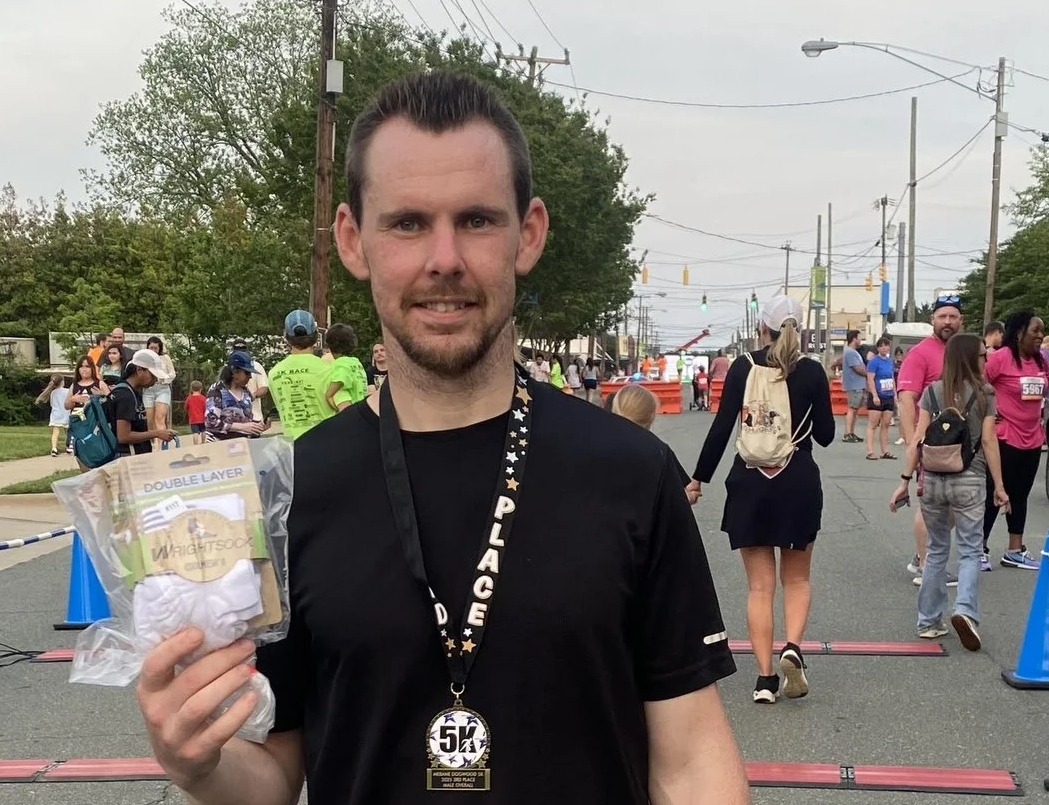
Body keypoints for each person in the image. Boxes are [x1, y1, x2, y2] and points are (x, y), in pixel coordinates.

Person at [139, 71, 747, 805]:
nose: (444, 259)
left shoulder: (631, 474)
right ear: (352, 240)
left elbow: (689, 766)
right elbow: (271, 774)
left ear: (528, 235)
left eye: (478, 220)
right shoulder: (291, 494)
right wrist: (197, 763)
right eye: (407, 223)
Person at [688, 294, 835, 705]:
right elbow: (824, 435)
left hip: (749, 481)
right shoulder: (811, 371)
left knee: (759, 588)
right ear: (799, 329)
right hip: (797, 480)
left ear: (761, 328)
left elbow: (721, 428)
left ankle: (765, 679)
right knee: (798, 578)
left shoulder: (742, 367)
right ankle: (792, 646)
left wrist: (698, 479)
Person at [890, 332, 1006, 651]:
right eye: (983, 355)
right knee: (970, 549)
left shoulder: (932, 391)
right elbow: (988, 442)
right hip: (969, 478)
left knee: (937, 549)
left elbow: (917, 437)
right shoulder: (985, 393)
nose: (986, 360)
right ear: (972, 358)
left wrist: (904, 479)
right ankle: (965, 611)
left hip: (933, 478)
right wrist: (999, 485)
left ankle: (928, 621)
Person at [897, 295, 964, 582]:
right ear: (932, 320)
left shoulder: (963, 353)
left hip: (959, 445)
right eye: (942, 316)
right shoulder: (920, 354)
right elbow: (906, 401)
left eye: (953, 317)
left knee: (951, 507)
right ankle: (926, 566)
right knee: (932, 506)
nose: (947, 322)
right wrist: (914, 443)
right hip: (930, 445)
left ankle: (921, 556)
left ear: (961, 320)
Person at [983, 310, 1049, 569]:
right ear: (1020, 332)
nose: (1040, 335)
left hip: (1033, 437)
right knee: (995, 492)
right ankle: (980, 548)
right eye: (1035, 330)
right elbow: (980, 385)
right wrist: (992, 413)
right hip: (1004, 436)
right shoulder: (1001, 358)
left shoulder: (1042, 361)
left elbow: (1045, 388)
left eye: (1042, 331)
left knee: (1020, 494)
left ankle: (1014, 549)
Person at [267, 310, 338, 441]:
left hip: (294, 449)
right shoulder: (331, 369)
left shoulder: (274, 374)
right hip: (327, 444)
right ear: (316, 335)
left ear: (286, 337)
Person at [104, 350, 179, 458]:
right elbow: (123, 436)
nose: (155, 380)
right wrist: (157, 433)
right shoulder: (125, 396)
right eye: (152, 375)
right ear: (139, 370)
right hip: (127, 457)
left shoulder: (132, 392)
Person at [205, 353, 267, 440]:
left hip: (241, 445)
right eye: (247, 373)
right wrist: (242, 427)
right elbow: (210, 423)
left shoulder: (246, 393)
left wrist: (257, 426)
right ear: (234, 372)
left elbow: (246, 422)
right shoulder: (217, 390)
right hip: (219, 445)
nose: (250, 377)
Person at [322, 323, 368, 414]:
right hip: (361, 408)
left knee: (339, 394)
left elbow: (336, 385)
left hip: (350, 413)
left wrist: (328, 396)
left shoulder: (340, 365)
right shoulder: (356, 362)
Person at [865, 337, 898, 460]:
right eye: (882, 346)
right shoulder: (874, 361)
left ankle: (884, 451)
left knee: (886, 424)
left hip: (888, 395)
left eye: (886, 346)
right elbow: (870, 379)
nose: (884, 348)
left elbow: (892, 378)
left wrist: (895, 394)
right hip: (878, 395)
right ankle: (870, 451)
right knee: (873, 424)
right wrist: (874, 395)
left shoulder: (890, 361)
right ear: (878, 348)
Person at [838, 330, 871, 447]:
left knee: (855, 409)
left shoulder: (852, 352)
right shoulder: (851, 352)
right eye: (859, 337)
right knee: (852, 408)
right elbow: (857, 368)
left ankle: (851, 432)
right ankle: (847, 433)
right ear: (854, 339)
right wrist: (869, 374)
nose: (860, 340)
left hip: (858, 384)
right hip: (854, 385)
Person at [142, 337, 175, 437]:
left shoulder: (165, 358)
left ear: (159, 348)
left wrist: (163, 379)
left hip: (162, 388)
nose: (153, 350)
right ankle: (151, 445)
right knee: (149, 421)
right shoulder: (143, 359)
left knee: (160, 418)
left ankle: (162, 447)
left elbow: (172, 374)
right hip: (148, 390)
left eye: (155, 348)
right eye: (151, 347)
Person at [38, 375, 69, 457]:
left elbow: (52, 404)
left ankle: (54, 448)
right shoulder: (67, 391)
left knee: (55, 432)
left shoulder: (52, 393)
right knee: (67, 432)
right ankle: (68, 447)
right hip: (66, 413)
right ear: (62, 382)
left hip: (56, 414)